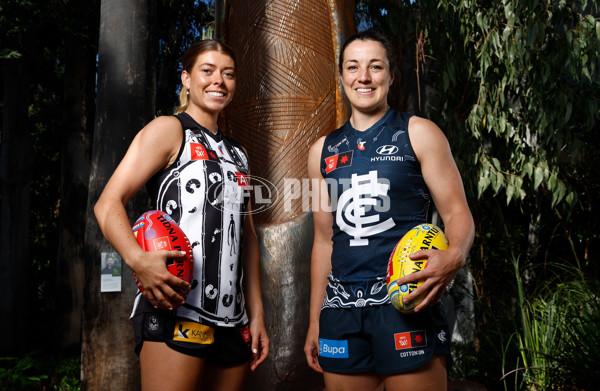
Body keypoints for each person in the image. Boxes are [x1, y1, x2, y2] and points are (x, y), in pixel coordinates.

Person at [303, 30, 475, 391]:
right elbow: (323, 241)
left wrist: (455, 254)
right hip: (340, 310)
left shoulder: (420, 133)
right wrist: (315, 320)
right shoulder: (321, 151)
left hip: (406, 299)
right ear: (342, 76)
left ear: (391, 76)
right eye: (353, 67)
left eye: (375, 67)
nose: (363, 77)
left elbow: (458, 213)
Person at [94, 39, 269, 391]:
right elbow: (107, 203)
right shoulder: (170, 130)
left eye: (228, 74)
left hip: (232, 321)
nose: (218, 80)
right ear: (187, 79)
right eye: (207, 71)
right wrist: (138, 259)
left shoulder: (239, 154)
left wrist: (257, 313)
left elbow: (247, 237)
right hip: (175, 308)